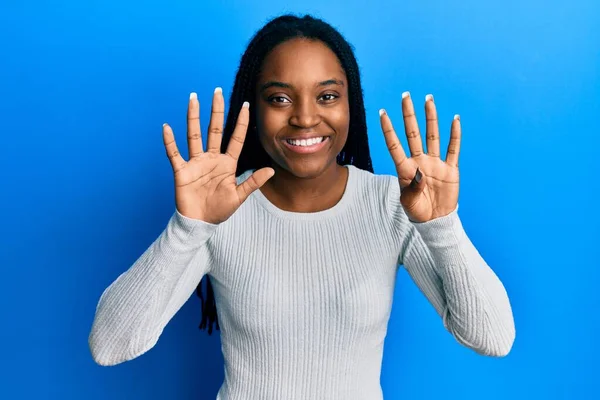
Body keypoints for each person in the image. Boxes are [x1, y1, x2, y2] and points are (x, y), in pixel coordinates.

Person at [88, 13, 515, 400]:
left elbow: (492, 337)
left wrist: (442, 226)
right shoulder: (220, 206)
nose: (306, 118)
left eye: (327, 96)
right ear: (253, 111)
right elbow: (109, 346)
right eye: (280, 99)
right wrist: (188, 229)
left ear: (351, 105)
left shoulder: (393, 204)